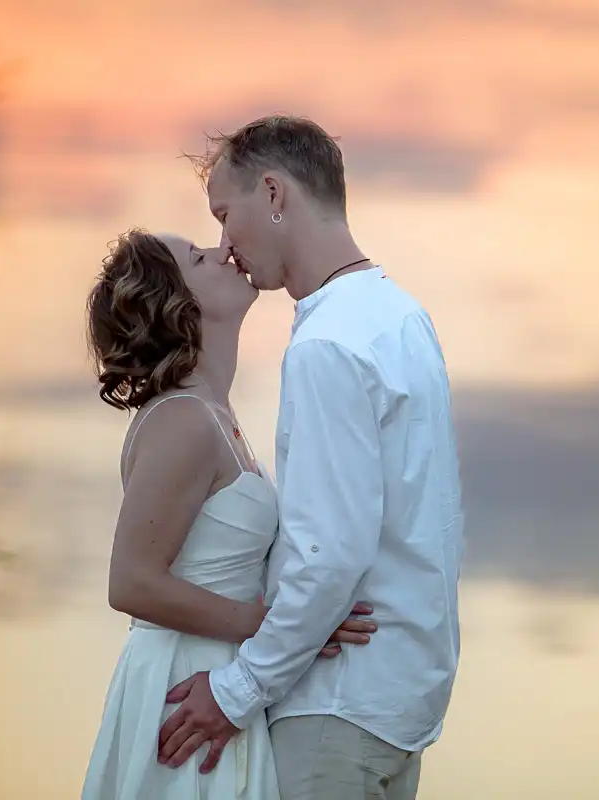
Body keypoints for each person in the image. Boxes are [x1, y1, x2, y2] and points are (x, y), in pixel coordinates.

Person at [156, 115, 465, 800]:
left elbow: (330, 556)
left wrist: (236, 691)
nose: (224, 244)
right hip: (403, 700)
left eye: (223, 214)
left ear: (273, 193)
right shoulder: (402, 318)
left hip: (336, 707)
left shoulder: (327, 345)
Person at [80, 230, 377, 800]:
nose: (223, 251)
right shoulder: (183, 420)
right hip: (183, 688)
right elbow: (132, 582)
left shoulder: (212, 412)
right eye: (199, 257)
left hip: (214, 676)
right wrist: (284, 628)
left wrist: (303, 618)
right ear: (180, 304)